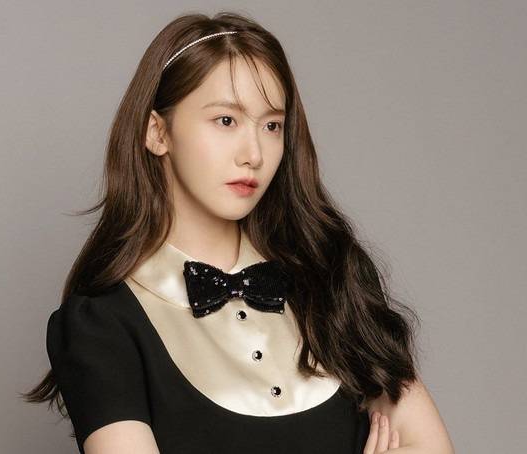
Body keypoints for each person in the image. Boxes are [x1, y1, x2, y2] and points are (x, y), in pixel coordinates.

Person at [22, 11, 454, 454]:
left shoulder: (331, 277)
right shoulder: (100, 326)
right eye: (226, 120)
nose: (254, 154)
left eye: (272, 126)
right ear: (157, 133)